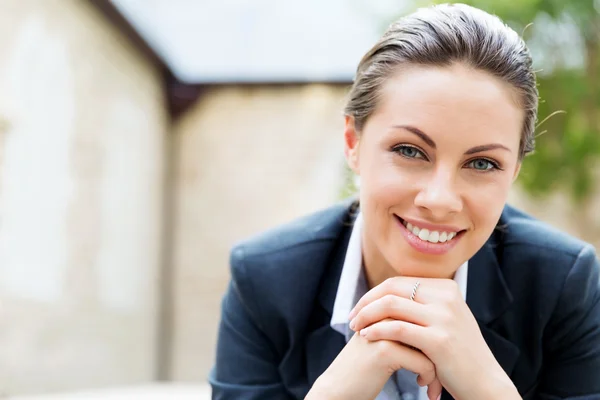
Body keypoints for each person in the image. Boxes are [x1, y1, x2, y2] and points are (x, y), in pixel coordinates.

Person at [209, 3, 600, 400]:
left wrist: (489, 389)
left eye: (482, 162)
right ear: (353, 143)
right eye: (410, 151)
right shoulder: (264, 280)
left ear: (514, 170)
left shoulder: (563, 284)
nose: (439, 200)